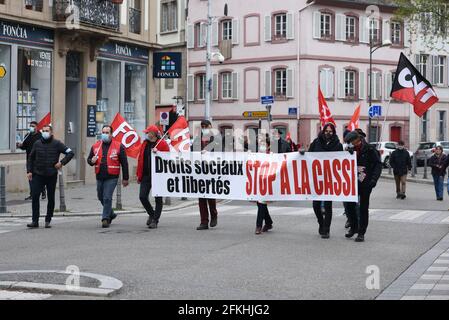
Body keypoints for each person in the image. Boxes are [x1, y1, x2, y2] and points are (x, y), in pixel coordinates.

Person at [26, 125, 74, 228]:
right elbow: (31, 157)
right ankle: (35, 221)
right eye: (43, 131)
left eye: (47, 131)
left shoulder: (57, 143)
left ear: (51, 132)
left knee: (51, 198)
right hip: (38, 174)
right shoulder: (37, 143)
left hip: (51, 174)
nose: (45, 132)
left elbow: (70, 153)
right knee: (35, 196)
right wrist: (29, 171)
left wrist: (61, 163)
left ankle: (48, 219)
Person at [87, 125, 129, 228]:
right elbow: (89, 160)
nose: (104, 134)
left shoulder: (119, 146)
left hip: (112, 176)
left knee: (107, 197)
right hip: (99, 176)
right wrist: (91, 161)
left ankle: (105, 218)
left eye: (107, 132)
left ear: (111, 134)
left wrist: (125, 178)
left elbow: (124, 163)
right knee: (100, 197)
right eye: (103, 132)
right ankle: (111, 213)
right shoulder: (96, 146)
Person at [344, 131, 382, 242]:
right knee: (349, 205)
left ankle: (361, 232)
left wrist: (374, 179)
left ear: (357, 139)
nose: (350, 144)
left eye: (351, 142)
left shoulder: (370, 149)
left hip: (366, 183)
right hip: (352, 182)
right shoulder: (350, 150)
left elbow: (377, 165)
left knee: (363, 208)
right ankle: (353, 227)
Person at [308, 122, 343, 239]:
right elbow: (308, 156)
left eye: (330, 131)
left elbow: (342, 160)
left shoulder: (338, 144)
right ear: (323, 131)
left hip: (330, 178)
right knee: (316, 204)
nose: (328, 133)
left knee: (328, 205)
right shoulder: (316, 142)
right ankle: (321, 222)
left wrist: (350, 154)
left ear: (333, 132)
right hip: (317, 177)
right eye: (326, 131)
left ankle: (326, 229)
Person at [137, 125, 170, 228]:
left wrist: (158, 153)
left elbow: (168, 158)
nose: (146, 134)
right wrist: (139, 175)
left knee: (158, 199)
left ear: (153, 134)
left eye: (148, 132)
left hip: (158, 176)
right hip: (146, 175)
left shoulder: (162, 144)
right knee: (142, 196)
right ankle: (152, 214)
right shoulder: (145, 143)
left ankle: (155, 220)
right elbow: (140, 159)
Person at [192, 120, 220, 230]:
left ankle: (214, 215)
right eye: (202, 126)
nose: (204, 128)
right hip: (200, 171)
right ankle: (204, 221)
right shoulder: (197, 139)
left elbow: (221, 153)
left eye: (206, 126)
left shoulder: (217, 139)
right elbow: (192, 152)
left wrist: (209, 152)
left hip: (212, 171)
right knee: (201, 198)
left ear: (210, 126)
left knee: (210, 197)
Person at [17, 121, 46, 201]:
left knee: (38, 176)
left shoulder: (40, 136)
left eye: (33, 126)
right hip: (29, 159)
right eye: (30, 126)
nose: (31, 127)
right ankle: (32, 194)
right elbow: (25, 147)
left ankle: (43, 190)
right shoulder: (27, 135)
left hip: (38, 160)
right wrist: (20, 146)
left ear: (37, 127)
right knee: (30, 177)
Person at [254, 133, 275, 235]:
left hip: (268, 182)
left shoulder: (272, 155)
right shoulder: (256, 155)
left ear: (268, 145)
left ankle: (258, 226)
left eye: (264, 144)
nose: (261, 146)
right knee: (260, 203)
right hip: (258, 181)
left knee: (261, 202)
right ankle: (268, 222)